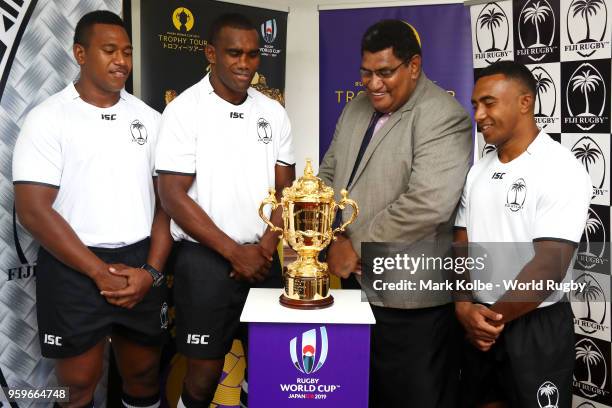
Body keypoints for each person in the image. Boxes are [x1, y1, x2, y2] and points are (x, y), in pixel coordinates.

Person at [12, 11, 172, 408]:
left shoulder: (151, 120)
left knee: (142, 376)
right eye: (109, 50)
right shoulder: (48, 119)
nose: (121, 60)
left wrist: (150, 273)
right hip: (73, 268)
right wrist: (99, 272)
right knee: (77, 385)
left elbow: (168, 203)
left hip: (139, 263)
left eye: (127, 52)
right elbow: (33, 211)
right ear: (80, 54)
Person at [318, 19, 472, 407]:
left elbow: (428, 203)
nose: (373, 84)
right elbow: (330, 174)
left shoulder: (443, 114)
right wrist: (334, 237)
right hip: (355, 285)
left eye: (385, 72)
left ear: (414, 66)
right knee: (361, 394)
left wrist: (355, 244)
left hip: (411, 302)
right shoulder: (356, 107)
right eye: (366, 73)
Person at [154, 13, 295, 408]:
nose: (245, 63)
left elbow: (286, 190)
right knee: (203, 377)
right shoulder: (184, 110)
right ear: (211, 53)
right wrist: (235, 253)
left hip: (265, 256)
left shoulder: (273, 113)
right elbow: (172, 196)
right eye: (234, 53)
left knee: (273, 369)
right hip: (205, 261)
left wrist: (264, 250)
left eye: (252, 54)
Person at [454, 60, 591, 407]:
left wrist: (488, 321)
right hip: (480, 323)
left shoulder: (561, 168)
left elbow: (549, 266)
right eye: (475, 105)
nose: (479, 115)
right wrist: (464, 306)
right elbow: (461, 243)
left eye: (489, 102)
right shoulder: (478, 171)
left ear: (525, 102)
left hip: (534, 326)